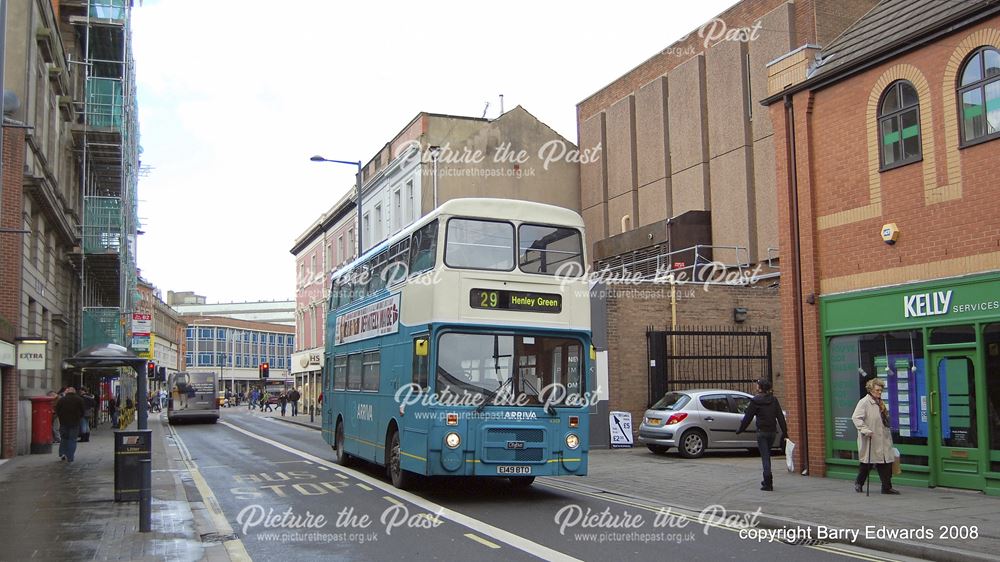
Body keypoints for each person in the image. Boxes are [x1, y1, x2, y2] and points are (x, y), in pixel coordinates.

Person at [736, 378, 789, 491]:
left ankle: (768, 482)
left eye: (757, 385)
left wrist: (740, 429)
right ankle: (766, 480)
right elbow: (780, 417)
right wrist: (785, 433)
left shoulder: (755, 401)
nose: (756, 386)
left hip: (762, 432)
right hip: (772, 432)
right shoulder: (774, 400)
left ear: (760, 388)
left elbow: (748, 418)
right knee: (767, 454)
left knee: (765, 457)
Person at [853, 377, 899, 494]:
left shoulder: (881, 403)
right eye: (877, 390)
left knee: (886, 463)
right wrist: (865, 430)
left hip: (883, 437)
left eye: (881, 390)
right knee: (866, 464)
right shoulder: (864, 402)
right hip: (870, 437)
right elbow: (856, 418)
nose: (879, 392)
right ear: (871, 390)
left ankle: (886, 487)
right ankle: (859, 483)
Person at [54, 386, 86, 462]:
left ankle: (62, 453)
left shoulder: (62, 400)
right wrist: (79, 417)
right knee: (72, 439)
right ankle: (70, 456)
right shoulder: (79, 400)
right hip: (75, 422)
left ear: (67, 392)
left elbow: (57, 410)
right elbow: (83, 411)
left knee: (64, 438)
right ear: (74, 392)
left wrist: (61, 417)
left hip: (63, 422)